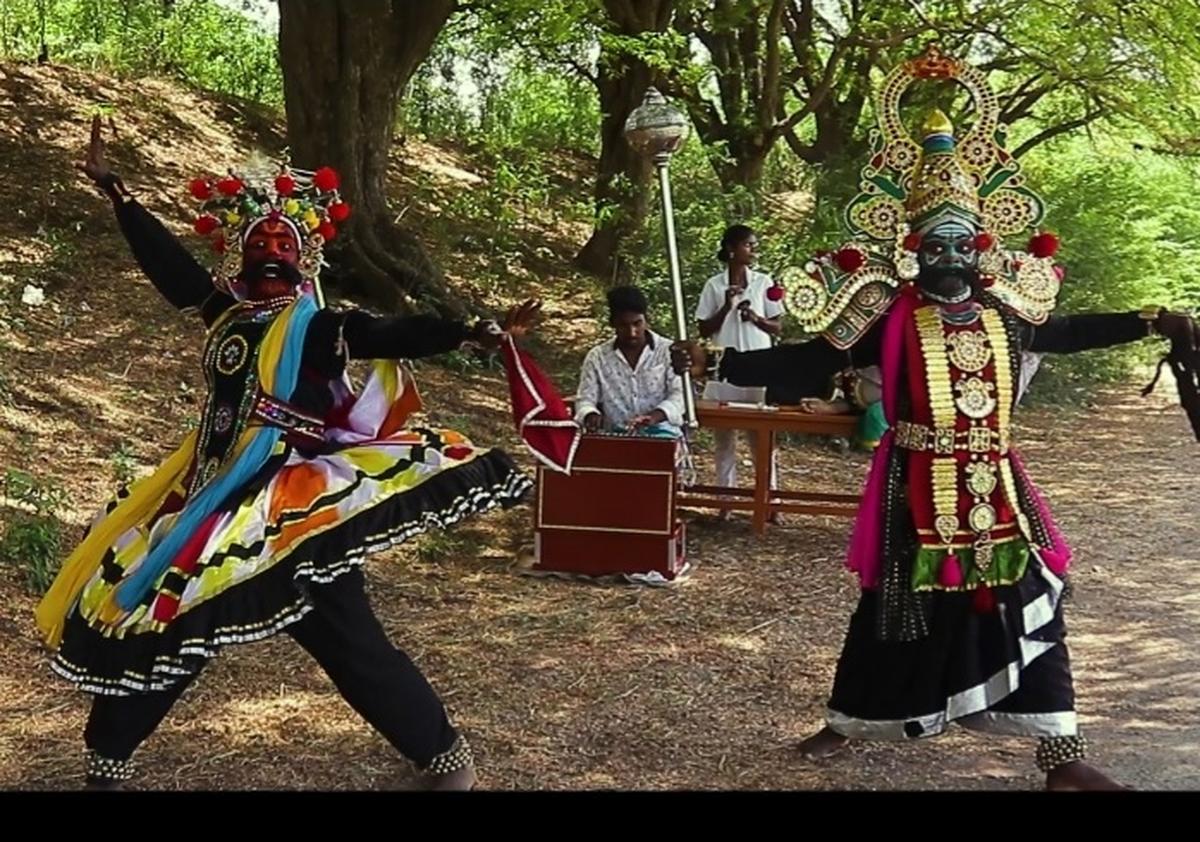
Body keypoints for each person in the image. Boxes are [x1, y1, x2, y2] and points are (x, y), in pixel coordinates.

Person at [671, 46, 1198, 790]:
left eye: (962, 241)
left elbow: (1069, 330)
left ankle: (1061, 755)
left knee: (1034, 597)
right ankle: (850, 720)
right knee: (894, 607)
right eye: (935, 243)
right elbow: (807, 363)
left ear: (982, 244)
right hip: (914, 483)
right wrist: (721, 364)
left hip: (996, 483)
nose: (949, 254)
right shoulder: (884, 308)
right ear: (912, 248)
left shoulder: (1007, 311)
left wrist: (1149, 319)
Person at [36, 116, 541, 791]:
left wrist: (469, 332)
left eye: (285, 240)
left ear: (304, 259)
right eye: (259, 240)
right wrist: (118, 193)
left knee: (349, 639)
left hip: (291, 509)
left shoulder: (321, 325)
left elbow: (391, 331)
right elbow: (173, 270)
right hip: (209, 499)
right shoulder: (224, 314)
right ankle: (107, 761)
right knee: (168, 615)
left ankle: (444, 756)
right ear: (239, 256)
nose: (271, 247)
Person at [694, 224, 785, 516]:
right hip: (725, 369)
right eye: (748, 245)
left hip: (760, 367)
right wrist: (726, 305)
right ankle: (725, 502)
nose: (753, 250)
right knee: (724, 439)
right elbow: (704, 328)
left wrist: (755, 316)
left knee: (762, 440)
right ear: (732, 249)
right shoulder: (713, 285)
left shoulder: (763, 282)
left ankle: (769, 502)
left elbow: (777, 325)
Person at [575, 285, 684, 437]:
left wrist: (654, 416)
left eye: (637, 323)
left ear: (647, 320)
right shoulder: (597, 357)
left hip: (663, 433)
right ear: (613, 324)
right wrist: (590, 415)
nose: (632, 332)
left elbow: (680, 396)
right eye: (623, 325)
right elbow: (585, 399)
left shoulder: (668, 352)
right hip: (614, 435)